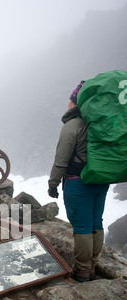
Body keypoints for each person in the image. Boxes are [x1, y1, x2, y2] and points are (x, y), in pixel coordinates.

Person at [48, 81, 109, 282]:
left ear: (76, 102)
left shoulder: (73, 125)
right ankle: (92, 265)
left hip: (78, 183)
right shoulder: (98, 122)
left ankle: (82, 271)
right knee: (96, 223)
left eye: (71, 98)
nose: (68, 101)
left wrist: (53, 184)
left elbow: (61, 160)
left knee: (82, 227)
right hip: (100, 181)